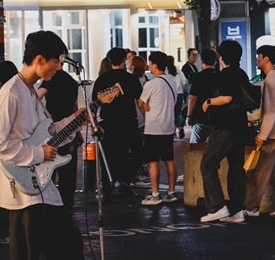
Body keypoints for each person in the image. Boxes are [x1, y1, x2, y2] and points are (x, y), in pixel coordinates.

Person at [0, 30, 128, 260]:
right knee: (26, 251)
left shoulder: (31, 92)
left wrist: (74, 120)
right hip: (22, 186)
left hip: (42, 186)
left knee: (69, 243)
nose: (58, 68)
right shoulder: (12, 92)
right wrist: (36, 152)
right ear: (38, 60)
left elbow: (47, 132)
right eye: (55, 62)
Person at [198, 40, 254, 223]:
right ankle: (237, 211)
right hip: (240, 126)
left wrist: (208, 103)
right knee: (235, 167)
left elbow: (227, 97)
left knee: (207, 164)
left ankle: (217, 206)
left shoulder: (227, 74)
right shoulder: (241, 73)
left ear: (222, 57)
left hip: (225, 127)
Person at [242, 43, 275, 218]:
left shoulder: (270, 80)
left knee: (258, 172)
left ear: (266, 58)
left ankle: (251, 207)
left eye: (258, 56)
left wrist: (262, 135)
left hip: (273, 134)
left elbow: (270, 111)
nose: (257, 59)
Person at [92, 48, 143, 199]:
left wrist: (95, 122)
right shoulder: (131, 79)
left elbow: (94, 104)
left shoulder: (101, 80)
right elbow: (139, 100)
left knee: (109, 154)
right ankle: (124, 180)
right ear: (124, 61)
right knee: (136, 152)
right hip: (128, 121)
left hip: (108, 121)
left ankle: (108, 187)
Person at [37, 69, 82, 209]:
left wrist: (44, 113)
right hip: (70, 127)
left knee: (48, 172)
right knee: (68, 174)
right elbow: (75, 107)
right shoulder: (71, 81)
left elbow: (37, 97)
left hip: (51, 128)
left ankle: (50, 204)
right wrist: (78, 129)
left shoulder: (51, 78)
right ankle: (67, 206)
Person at [139, 51, 179, 206]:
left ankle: (155, 195)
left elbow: (141, 103)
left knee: (153, 162)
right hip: (168, 126)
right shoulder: (172, 81)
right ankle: (172, 192)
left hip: (153, 128)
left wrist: (145, 111)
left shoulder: (151, 84)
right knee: (169, 160)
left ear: (154, 65)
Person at [187, 48, 220, 145]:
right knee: (216, 147)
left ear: (202, 61)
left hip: (201, 117)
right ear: (215, 61)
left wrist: (189, 115)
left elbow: (193, 98)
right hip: (217, 117)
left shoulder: (198, 77)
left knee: (195, 146)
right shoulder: (220, 76)